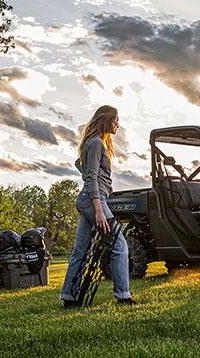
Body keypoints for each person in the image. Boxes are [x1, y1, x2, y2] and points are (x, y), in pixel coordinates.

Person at [60, 105, 136, 307]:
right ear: (106, 120)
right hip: (94, 200)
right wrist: (99, 210)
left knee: (81, 250)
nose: (118, 123)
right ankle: (123, 296)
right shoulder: (96, 143)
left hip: (89, 199)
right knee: (119, 245)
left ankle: (69, 297)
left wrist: (88, 174)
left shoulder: (95, 142)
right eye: (115, 119)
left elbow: (79, 163)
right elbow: (92, 177)